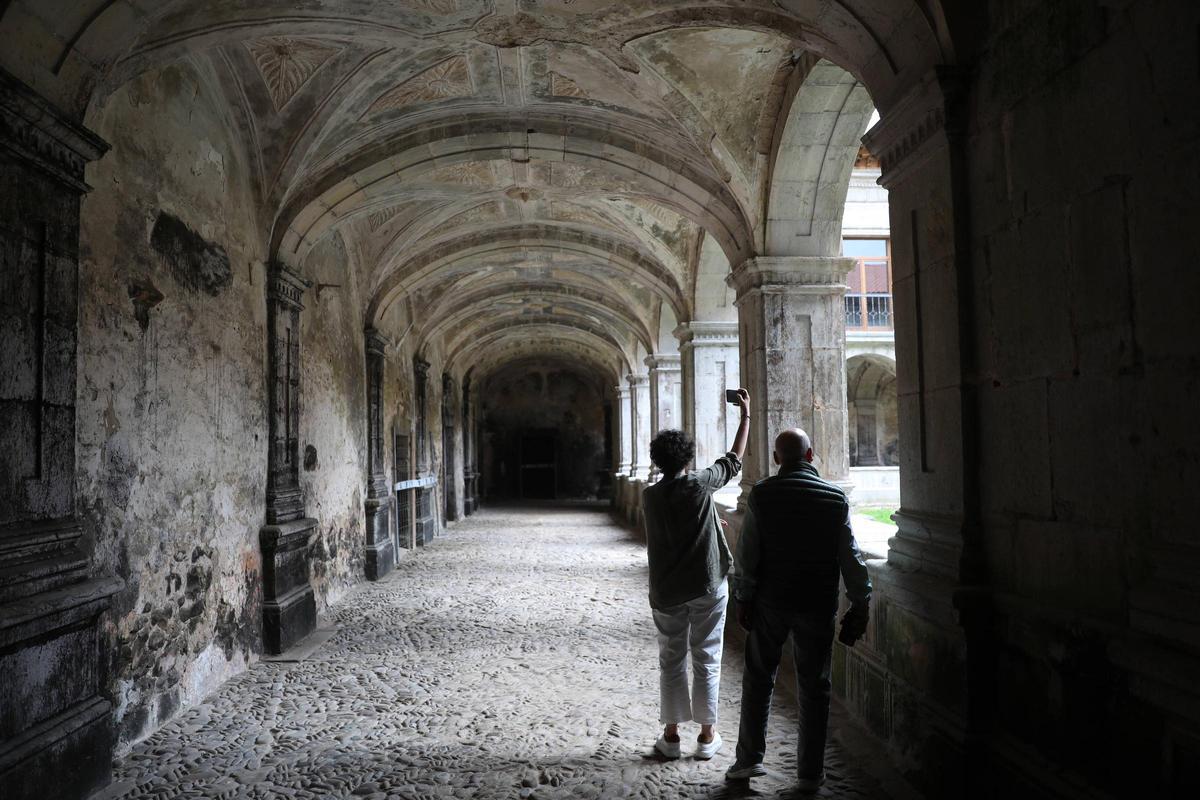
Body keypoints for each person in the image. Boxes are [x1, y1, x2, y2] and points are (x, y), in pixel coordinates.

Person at [725, 428, 871, 792]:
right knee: (815, 686)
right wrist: (861, 600)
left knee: (759, 678)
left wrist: (743, 598)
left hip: (770, 602)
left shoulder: (763, 495)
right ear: (811, 456)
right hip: (817, 603)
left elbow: (748, 554)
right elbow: (851, 557)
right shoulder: (835, 499)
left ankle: (748, 760)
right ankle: (809, 772)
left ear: (777, 459)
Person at [641, 389, 750, 761]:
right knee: (707, 656)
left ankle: (670, 737)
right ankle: (707, 737)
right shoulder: (700, 484)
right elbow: (734, 460)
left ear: (656, 462)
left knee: (671, 659)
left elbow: (670, 530)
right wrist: (746, 417)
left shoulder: (649, 497)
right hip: (706, 584)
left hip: (668, 590)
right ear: (688, 457)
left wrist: (710, 525)